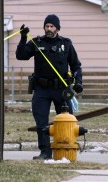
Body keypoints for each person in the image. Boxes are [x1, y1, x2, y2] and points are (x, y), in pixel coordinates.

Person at [15, 14, 83, 160]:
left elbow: (76, 66)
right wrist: (23, 38)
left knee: (67, 120)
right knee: (41, 122)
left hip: (61, 90)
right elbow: (21, 55)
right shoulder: (36, 42)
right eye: (47, 26)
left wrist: (78, 82)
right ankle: (45, 152)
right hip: (42, 89)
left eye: (52, 26)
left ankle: (66, 149)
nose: (49, 29)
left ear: (57, 28)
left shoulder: (66, 44)